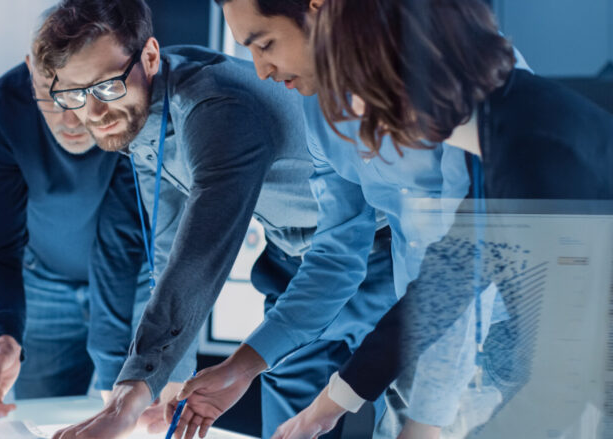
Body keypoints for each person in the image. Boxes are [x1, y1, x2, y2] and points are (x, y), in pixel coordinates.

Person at [38, 1, 473, 439]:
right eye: (74, 95)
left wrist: (132, 389)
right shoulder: (316, 112)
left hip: (396, 269)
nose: (92, 113)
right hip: (304, 264)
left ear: (150, 57)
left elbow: (201, 254)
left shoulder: (218, 106)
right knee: (290, 420)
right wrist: (169, 382)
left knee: (417, 402)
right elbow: (173, 251)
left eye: (264, 44)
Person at [272, 0, 613, 437]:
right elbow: (445, 282)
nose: (354, 109)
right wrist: (329, 404)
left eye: (354, 84)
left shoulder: (534, 151)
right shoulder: (498, 132)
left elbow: (561, 381)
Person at [0, 11, 193, 429]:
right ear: (31, 69)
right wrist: (5, 335)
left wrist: (114, 390)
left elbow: (119, 245)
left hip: (134, 281)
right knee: (39, 421)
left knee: (142, 421)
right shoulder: (2, 108)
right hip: (44, 284)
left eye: (80, 91)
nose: (71, 119)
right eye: (53, 97)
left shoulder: (121, 102)